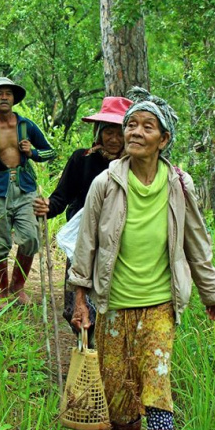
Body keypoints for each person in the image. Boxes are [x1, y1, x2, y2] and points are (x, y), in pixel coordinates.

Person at [68, 87, 215, 430]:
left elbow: (196, 239)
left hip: (160, 303)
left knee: (157, 383)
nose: (135, 132)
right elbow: (86, 245)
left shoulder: (178, 183)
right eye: (131, 124)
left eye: (147, 126)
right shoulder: (106, 182)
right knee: (119, 386)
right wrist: (80, 299)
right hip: (114, 304)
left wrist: (212, 292)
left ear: (164, 139)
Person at [32, 96, 133, 342]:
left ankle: (99, 360)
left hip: (119, 245)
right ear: (98, 132)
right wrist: (47, 207)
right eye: (108, 131)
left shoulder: (133, 166)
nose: (113, 139)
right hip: (81, 242)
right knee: (74, 307)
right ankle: (84, 353)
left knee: (110, 307)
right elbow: (61, 197)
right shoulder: (82, 159)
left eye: (119, 132)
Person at [0, 77, 57, 304]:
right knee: (0, 245)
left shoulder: (26, 126)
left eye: (8, 93)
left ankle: (17, 287)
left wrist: (32, 153)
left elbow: (51, 152)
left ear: (14, 98)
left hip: (24, 188)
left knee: (30, 238)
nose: (4, 97)